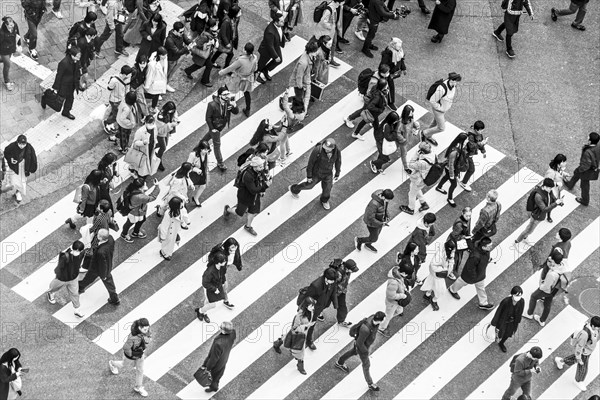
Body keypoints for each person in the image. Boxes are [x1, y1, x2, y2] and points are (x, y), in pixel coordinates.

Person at [334, 311, 386, 392]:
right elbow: (359, 343)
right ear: (379, 320)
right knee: (366, 365)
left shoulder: (373, 317)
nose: (382, 321)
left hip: (364, 345)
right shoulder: (365, 330)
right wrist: (365, 352)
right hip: (362, 348)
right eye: (382, 320)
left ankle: (340, 362)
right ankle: (370, 384)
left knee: (353, 352)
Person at [223, 156, 271, 236]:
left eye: (262, 165)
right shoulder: (248, 176)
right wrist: (265, 186)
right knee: (239, 213)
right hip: (245, 197)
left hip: (255, 197)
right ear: (255, 167)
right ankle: (227, 209)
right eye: (260, 166)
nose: (262, 167)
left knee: (253, 212)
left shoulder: (259, 171)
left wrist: (263, 188)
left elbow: (261, 179)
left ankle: (248, 226)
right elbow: (253, 190)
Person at [289, 138, 341, 210]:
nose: (326, 150)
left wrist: (337, 173)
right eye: (325, 148)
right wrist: (309, 176)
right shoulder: (318, 150)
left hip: (328, 173)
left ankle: (324, 200)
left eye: (328, 149)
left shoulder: (337, 151)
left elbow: (338, 162)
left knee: (328, 188)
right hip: (316, 173)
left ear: (333, 148)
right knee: (309, 186)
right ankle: (294, 189)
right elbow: (311, 163)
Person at [447, 237, 495, 310]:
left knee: (481, 288)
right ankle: (452, 289)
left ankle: (483, 303)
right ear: (483, 247)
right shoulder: (475, 256)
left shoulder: (486, 251)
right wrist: (474, 277)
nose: (491, 247)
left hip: (480, 275)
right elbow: (470, 268)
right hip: (471, 276)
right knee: (461, 282)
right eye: (489, 246)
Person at [554, 316, 600, 391]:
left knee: (574, 358)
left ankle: (561, 361)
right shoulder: (585, 334)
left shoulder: (593, 330)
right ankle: (578, 381)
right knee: (583, 368)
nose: (598, 329)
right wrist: (579, 359)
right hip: (584, 352)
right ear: (593, 326)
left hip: (588, 351)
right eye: (598, 327)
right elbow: (579, 347)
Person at [108, 318, 151, 397]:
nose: (147, 330)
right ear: (139, 328)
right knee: (123, 365)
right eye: (145, 329)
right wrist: (132, 355)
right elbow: (126, 348)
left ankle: (138, 386)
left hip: (140, 355)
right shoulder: (132, 337)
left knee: (140, 370)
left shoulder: (146, 333)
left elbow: (147, 341)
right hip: (131, 356)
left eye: (148, 328)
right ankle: (112, 363)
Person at [523, 249, 566, 327]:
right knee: (547, 304)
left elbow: (545, 286)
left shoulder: (552, 274)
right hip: (554, 290)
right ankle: (542, 320)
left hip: (547, 290)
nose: (550, 259)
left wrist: (541, 285)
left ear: (554, 261)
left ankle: (529, 313)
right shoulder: (562, 266)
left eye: (551, 259)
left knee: (533, 296)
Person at [273, 297, 317, 375]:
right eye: (311, 306)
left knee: (286, 339)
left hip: (302, 334)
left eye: (313, 306)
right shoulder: (299, 316)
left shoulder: (309, 311)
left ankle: (277, 343)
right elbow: (295, 328)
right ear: (306, 306)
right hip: (299, 335)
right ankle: (300, 366)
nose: (313, 308)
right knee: (300, 352)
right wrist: (307, 325)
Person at [515, 178, 563, 248]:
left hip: (540, 216)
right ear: (545, 186)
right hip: (536, 216)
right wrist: (556, 203)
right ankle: (517, 241)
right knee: (528, 231)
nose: (551, 190)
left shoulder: (548, 191)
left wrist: (558, 202)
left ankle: (525, 238)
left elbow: (552, 198)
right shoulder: (538, 196)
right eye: (550, 188)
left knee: (529, 230)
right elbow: (544, 209)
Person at [202, 86, 239, 172]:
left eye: (228, 93)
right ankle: (220, 162)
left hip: (221, 125)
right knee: (217, 145)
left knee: (207, 137)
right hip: (215, 128)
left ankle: (200, 145)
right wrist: (212, 129)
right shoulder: (212, 105)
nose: (227, 96)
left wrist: (234, 106)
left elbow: (236, 112)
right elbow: (208, 118)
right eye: (224, 94)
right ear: (219, 96)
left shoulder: (228, 102)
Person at [78, 229, 119, 304]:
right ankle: (114, 298)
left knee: (88, 278)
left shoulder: (101, 252)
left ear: (100, 237)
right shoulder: (110, 238)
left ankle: (80, 288)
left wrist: (103, 275)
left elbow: (102, 265)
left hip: (96, 268)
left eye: (98, 235)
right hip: (108, 264)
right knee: (109, 283)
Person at [46, 240, 86, 317]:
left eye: (79, 251)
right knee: (54, 287)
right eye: (76, 250)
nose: (77, 252)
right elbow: (58, 268)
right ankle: (50, 293)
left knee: (75, 294)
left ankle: (77, 309)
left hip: (73, 278)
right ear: (73, 249)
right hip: (62, 278)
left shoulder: (81, 254)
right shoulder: (65, 256)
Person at [421, 72, 461, 146]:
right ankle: (424, 133)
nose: (457, 83)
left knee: (435, 122)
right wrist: (440, 108)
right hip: (438, 110)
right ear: (452, 80)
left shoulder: (453, 85)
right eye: (456, 81)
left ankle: (428, 136)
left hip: (444, 108)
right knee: (441, 128)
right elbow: (432, 101)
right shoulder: (441, 89)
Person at [303, 267, 339, 350]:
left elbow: (333, 292)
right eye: (331, 281)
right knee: (302, 326)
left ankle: (308, 340)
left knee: (311, 325)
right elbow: (307, 298)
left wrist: (335, 304)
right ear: (326, 278)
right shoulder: (315, 285)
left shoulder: (332, 281)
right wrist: (309, 309)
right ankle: (308, 340)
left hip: (320, 307)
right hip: (311, 309)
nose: (333, 282)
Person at [219, 42, 257, 117]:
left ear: (245, 51)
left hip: (238, 78)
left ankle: (218, 97)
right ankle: (248, 109)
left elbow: (231, 68)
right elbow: (255, 68)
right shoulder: (254, 57)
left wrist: (222, 72)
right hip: (248, 79)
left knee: (227, 88)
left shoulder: (241, 60)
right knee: (246, 93)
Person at [199, 321, 236, 393]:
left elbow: (213, 358)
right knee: (218, 374)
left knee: (213, 376)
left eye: (221, 327)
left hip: (217, 363)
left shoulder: (218, 344)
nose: (220, 328)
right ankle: (215, 385)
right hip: (224, 359)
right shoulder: (233, 333)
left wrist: (208, 367)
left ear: (224, 331)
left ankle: (213, 387)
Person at [564, 132, 600, 206]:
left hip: (586, 170)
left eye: (588, 137)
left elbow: (586, 165)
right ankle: (570, 184)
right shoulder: (598, 146)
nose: (587, 138)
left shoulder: (588, 152)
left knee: (584, 185)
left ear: (590, 141)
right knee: (576, 174)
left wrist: (579, 169)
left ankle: (585, 200)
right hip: (591, 167)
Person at [399, 141, 435, 215]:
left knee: (411, 194)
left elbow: (411, 165)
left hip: (419, 179)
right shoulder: (432, 154)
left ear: (422, 151)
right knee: (415, 189)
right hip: (425, 176)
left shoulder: (422, 163)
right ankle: (423, 203)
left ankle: (410, 208)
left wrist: (416, 154)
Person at [120, 177, 160, 243]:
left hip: (137, 210)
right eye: (144, 185)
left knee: (141, 220)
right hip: (136, 212)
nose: (146, 185)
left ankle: (135, 232)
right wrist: (157, 186)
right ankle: (124, 234)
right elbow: (152, 197)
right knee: (130, 223)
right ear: (140, 187)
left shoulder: (133, 188)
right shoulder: (139, 196)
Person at [49, 46, 82, 120]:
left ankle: (66, 112)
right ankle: (45, 99)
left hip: (71, 85)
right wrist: (56, 88)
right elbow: (59, 75)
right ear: (72, 55)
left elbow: (77, 69)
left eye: (79, 56)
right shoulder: (64, 63)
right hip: (63, 86)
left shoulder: (77, 60)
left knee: (70, 99)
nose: (79, 58)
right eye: (77, 56)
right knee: (58, 101)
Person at [435, 132, 468, 207]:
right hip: (451, 169)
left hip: (453, 168)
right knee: (454, 184)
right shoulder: (454, 151)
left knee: (446, 177)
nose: (467, 141)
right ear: (462, 141)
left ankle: (439, 187)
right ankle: (450, 198)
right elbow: (450, 164)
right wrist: (452, 175)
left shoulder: (459, 145)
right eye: (466, 140)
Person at [2, 135, 37, 204]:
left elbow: (33, 158)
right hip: (14, 167)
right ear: (17, 142)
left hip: (24, 168)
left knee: (22, 182)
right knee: (11, 177)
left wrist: (32, 168)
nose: (21, 146)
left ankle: (18, 192)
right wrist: (10, 159)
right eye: (20, 144)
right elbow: (6, 152)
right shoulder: (12, 146)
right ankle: (9, 185)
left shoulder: (29, 147)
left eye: (23, 144)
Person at [183, 18, 219, 86]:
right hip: (203, 54)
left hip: (206, 54)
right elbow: (199, 44)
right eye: (214, 25)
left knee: (201, 64)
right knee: (208, 65)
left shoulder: (208, 32)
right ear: (211, 27)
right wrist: (207, 44)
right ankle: (204, 81)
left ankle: (188, 71)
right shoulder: (205, 36)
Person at [379, 262, 411, 336]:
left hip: (397, 301)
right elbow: (391, 296)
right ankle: (381, 328)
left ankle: (385, 321)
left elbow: (401, 284)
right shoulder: (394, 282)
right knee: (388, 316)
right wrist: (403, 296)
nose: (406, 276)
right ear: (403, 272)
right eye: (406, 274)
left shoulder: (398, 276)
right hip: (392, 302)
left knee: (399, 311)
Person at [194, 252, 228, 323]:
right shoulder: (209, 272)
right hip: (209, 288)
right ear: (218, 263)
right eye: (224, 261)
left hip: (217, 285)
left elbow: (222, 274)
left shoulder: (222, 267)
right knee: (212, 304)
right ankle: (200, 311)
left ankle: (204, 312)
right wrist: (214, 289)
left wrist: (224, 281)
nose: (225, 262)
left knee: (207, 301)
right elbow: (205, 283)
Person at [421, 240, 455, 311]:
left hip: (436, 274)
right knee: (441, 290)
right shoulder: (439, 256)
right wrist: (444, 269)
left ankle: (427, 295)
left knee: (431, 283)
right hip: (438, 275)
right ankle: (434, 300)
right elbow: (433, 265)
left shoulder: (447, 252)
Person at [126, 115, 160, 182]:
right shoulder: (140, 131)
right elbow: (135, 142)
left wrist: (155, 141)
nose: (151, 125)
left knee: (145, 163)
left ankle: (139, 174)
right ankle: (138, 177)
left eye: (152, 123)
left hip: (150, 149)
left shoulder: (155, 128)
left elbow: (155, 136)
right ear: (145, 122)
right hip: (141, 150)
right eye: (149, 123)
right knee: (139, 164)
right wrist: (143, 142)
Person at [157, 162, 192, 227]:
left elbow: (188, 178)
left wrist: (191, 185)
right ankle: (181, 222)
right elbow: (174, 191)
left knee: (166, 205)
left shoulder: (181, 174)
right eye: (190, 169)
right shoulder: (178, 180)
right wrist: (183, 198)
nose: (191, 170)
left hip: (178, 195)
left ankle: (160, 212)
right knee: (179, 209)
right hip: (175, 197)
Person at [491, 286, 525, 352]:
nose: (518, 297)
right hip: (503, 321)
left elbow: (520, 311)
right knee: (500, 332)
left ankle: (502, 343)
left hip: (512, 322)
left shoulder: (521, 301)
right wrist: (494, 323)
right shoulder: (506, 301)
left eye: (520, 295)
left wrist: (518, 321)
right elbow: (498, 312)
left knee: (508, 333)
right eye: (516, 295)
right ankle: (497, 337)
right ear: (512, 294)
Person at [289, 40, 318, 113]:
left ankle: (293, 103)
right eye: (315, 51)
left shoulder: (309, 55)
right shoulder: (303, 63)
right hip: (299, 83)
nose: (317, 52)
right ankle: (299, 110)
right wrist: (300, 86)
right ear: (311, 52)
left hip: (305, 79)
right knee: (299, 97)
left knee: (301, 95)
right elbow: (299, 76)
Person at [104, 65, 133, 139]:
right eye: (129, 74)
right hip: (114, 101)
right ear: (124, 74)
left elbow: (127, 89)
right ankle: (107, 123)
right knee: (116, 116)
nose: (131, 75)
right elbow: (108, 90)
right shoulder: (114, 80)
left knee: (116, 113)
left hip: (121, 100)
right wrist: (106, 101)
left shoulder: (127, 79)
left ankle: (109, 123)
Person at [256, 13, 286, 84]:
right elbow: (270, 46)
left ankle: (265, 69)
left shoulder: (278, 25)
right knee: (261, 64)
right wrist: (275, 56)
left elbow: (280, 33)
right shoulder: (270, 31)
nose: (283, 22)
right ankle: (257, 74)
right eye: (281, 21)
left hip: (276, 45)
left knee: (279, 60)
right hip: (266, 50)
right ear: (276, 22)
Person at [313, 0, 343, 64]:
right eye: (343, 2)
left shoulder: (335, 7)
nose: (343, 3)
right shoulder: (329, 10)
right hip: (327, 31)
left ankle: (331, 59)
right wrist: (330, 26)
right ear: (338, 2)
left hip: (332, 30)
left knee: (333, 43)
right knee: (324, 46)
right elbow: (323, 21)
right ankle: (320, 59)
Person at [461, 120, 488, 192]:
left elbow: (480, 144)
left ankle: (455, 174)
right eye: (481, 130)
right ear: (476, 129)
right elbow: (471, 146)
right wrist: (481, 144)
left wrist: (483, 151)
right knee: (471, 169)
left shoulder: (479, 135)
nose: (482, 132)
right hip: (466, 154)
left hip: (469, 154)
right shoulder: (471, 136)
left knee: (463, 166)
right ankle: (463, 182)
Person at [446, 206, 472, 280]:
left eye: (470, 215)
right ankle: (450, 272)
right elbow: (455, 236)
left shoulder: (465, 220)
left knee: (456, 257)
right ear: (462, 213)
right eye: (467, 216)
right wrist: (464, 237)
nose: (468, 217)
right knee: (454, 258)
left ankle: (451, 270)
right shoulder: (459, 224)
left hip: (459, 242)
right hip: (455, 243)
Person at [409, 212, 437, 280]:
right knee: (416, 265)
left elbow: (432, 233)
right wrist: (422, 258)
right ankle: (412, 276)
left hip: (418, 247)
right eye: (431, 223)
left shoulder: (428, 225)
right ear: (426, 223)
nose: (433, 224)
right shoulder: (419, 232)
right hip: (416, 249)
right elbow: (421, 246)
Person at [211, 3, 239, 69]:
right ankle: (226, 67)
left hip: (229, 40)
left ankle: (212, 61)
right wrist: (227, 43)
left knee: (219, 51)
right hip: (226, 42)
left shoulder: (233, 19)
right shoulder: (226, 21)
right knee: (230, 54)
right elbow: (222, 33)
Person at [165, 21, 192, 87]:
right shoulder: (169, 39)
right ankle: (162, 87)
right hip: (170, 59)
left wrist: (193, 43)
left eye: (183, 31)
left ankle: (166, 84)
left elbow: (187, 40)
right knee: (166, 74)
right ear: (175, 31)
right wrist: (187, 48)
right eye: (181, 32)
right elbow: (176, 51)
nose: (182, 33)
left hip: (177, 57)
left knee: (171, 73)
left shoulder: (181, 34)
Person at [332, 259, 359, 327]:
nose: (352, 272)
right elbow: (333, 283)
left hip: (341, 291)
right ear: (347, 268)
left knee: (342, 307)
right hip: (334, 292)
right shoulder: (339, 274)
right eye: (352, 270)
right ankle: (317, 313)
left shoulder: (347, 271)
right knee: (324, 303)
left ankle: (341, 321)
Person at [379, 37, 406, 105]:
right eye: (398, 47)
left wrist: (403, 68)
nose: (400, 49)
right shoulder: (387, 55)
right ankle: (390, 102)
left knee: (385, 86)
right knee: (390, 87)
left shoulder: (398, 52)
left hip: (392, 72)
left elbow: (401, 59)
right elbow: (382, 66)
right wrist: (387, 74)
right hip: (387, 74)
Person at [544, 154, 569, 222]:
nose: (565, 163)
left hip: (557, 190)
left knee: (556, 199)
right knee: (550, 204)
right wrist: (556, 184)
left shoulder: (558, 168)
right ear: (558, 163)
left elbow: (560, 172)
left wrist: (564, 174)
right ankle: (548, 216)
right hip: (551, 191)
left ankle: (557, 202)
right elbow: (547, 182)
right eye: (563, 162)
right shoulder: (551, 172)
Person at [156, 101, 179, 171]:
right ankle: (158, 161)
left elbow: (175, 114)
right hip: (161, 134)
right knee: (163, 147)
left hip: (166, 133)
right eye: (171, 110)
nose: (172, 111)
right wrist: (171, 125)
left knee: (164, 145)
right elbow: (160, 130)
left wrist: (175, 120)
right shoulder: (161, 116)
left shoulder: (171, 112)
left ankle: (151, 147)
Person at [144, 47, 168, 114]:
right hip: (154, 82)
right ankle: (140, 95)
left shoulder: (164, 58)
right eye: (164, 55)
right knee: (153, 95)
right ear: (160, 55)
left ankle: (153, 107)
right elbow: (149, 75)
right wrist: (147, 86)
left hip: (160, 82)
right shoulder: (152, 64)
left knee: (156, 95)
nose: (165, 56)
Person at [0, 17, 21, 92]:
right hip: (4, 50)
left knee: (5, 60)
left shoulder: (15, 25)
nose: (12, 26)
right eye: (10, 25)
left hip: (11, 48)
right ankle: (7, 81)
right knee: (7, 65)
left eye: (12, 24)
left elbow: (18, 34)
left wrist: (19, 44)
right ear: (6, 25)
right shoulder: (2, 33)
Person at [188, 140, 211, 206]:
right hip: (193, 173)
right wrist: (195, 169)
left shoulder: (205, 153)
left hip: (202, 171)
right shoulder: (193, 155)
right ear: (200, 148)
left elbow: (205, 162)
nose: (206, 151)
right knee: (187, 186)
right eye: (204, 149)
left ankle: (196, 198)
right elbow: (188, 165)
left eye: (207, 149)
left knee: (203, 186)